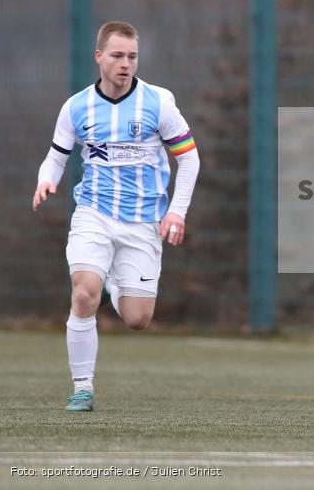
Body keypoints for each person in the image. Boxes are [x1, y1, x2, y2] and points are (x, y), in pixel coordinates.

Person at [32, 21, 200, 411]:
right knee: (83, 293)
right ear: (99, 57)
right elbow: (56, 157)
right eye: (118, 56)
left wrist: (176, 212)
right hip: (94, 212)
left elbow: (189, 158)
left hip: (143, 221)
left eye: (132, 56)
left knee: (137, 319)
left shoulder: (158, 103)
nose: (126, 64)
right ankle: (83, 388)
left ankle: (113, 285)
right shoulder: (76, 107)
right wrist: (46, 180)